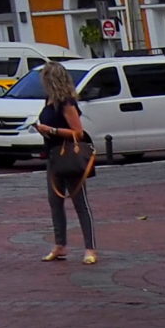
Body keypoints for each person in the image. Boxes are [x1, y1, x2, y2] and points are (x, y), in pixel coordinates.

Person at [34, 62, 98, 265]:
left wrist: (51, 130)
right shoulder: (49, 100)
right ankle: (60, 244)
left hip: (69, 154)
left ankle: (90, 248)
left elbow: (78, 132)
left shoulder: (67, 103)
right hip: (52, 155)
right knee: (55, 202)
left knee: (80, 203)